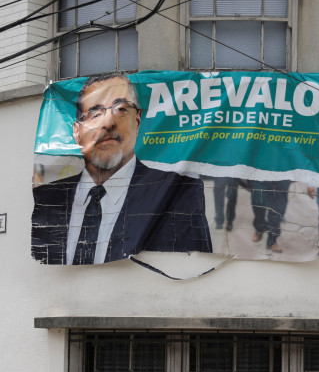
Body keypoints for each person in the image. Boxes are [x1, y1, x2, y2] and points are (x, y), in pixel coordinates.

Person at [31, 73, 212, 264]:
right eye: (94, 113)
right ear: (76, 131)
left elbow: (194, 269)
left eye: (121, 109)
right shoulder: (48, 199)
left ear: (138, 120)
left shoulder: (179, 193)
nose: (108, 123)